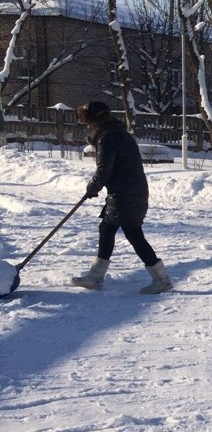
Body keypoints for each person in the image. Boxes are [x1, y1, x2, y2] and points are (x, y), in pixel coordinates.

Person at [71, 101, 173, 294]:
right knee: (107, 229)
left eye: (88, 121)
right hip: (130, 191)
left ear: (95, 120)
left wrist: (92, 188)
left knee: (133, 234)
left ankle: (162, 280)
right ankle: (95, 277)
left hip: (125, 194)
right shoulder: (119, 134)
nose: (87, 125)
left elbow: (104, 171)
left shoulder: (107, 138)